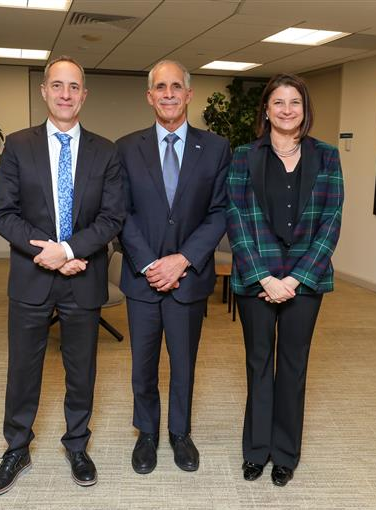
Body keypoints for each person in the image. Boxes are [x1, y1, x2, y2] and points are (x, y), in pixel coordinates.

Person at [0, 56, 124, 496]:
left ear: (84, 95)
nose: (66, 94)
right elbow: (3, 214)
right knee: (23, 370)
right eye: (58, 85)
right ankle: (16, 449)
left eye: (74, 87)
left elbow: (111, 217)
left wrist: (69, 251)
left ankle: (77, 445)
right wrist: (49, 253)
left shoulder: (106, 151)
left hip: (84, 275)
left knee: (81, 370)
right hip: (32, 276)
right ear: (44, 91)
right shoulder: (17, 145)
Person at [226, 73, 343, 487]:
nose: (287, 109)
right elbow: (237, 218)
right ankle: (257, 450)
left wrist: (295, 279)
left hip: (305, 281)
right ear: (266, 109)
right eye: (278, 102)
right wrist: (263, 276)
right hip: (256, 277)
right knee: (258, 364)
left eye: (295, 102)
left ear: (305, 109)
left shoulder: (326, 156)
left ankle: (286, 454)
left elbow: (331, 222)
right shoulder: (244, 156)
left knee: (293, 367)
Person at [116, 60, 231, 474]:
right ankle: (146, 433)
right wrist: (150, 263)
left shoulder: (216, 148)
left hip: (189, 278)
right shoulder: (126, 148)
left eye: (176, 86)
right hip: (142, 278)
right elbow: (120, 213)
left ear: (189, 94)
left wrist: (182, 260)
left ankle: (180, 433)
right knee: (143, 364)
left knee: (183, 363)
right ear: (150, 96)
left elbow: (219, 212)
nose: (168, 94)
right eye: (161, 87)